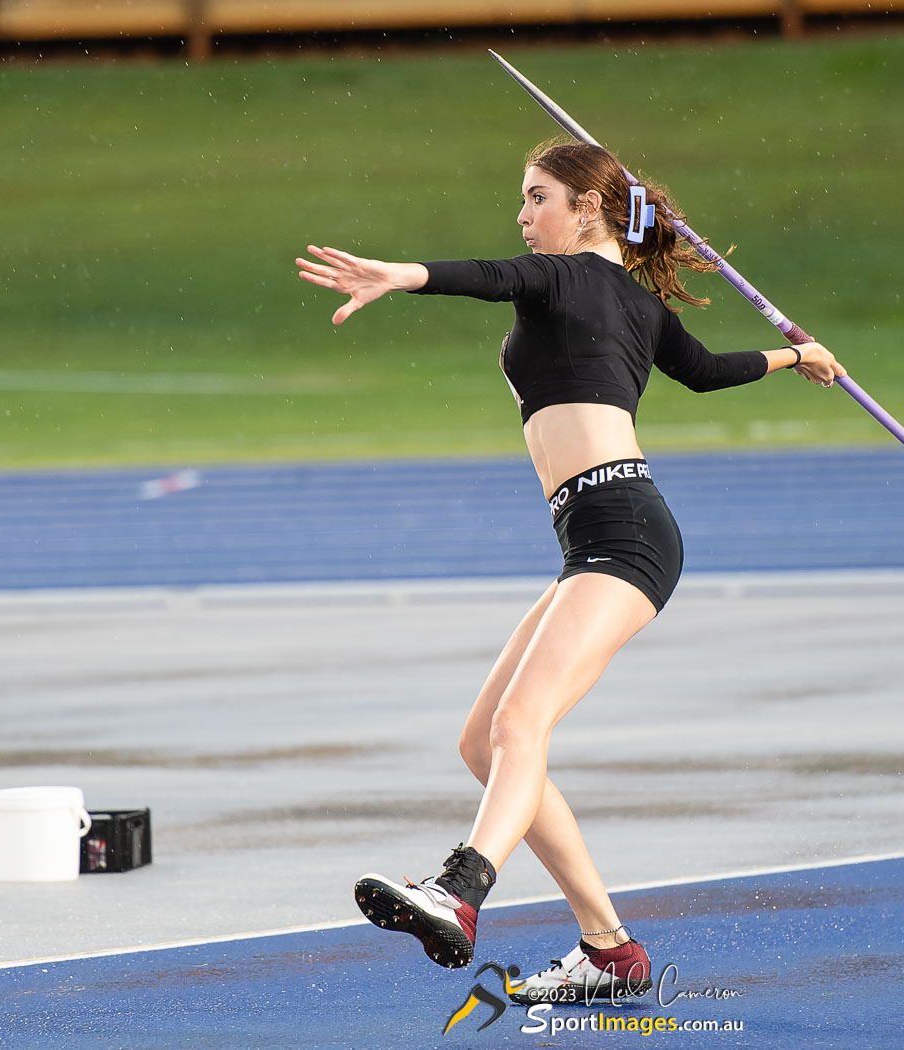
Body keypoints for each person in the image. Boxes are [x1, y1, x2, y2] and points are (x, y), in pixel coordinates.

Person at [295, 140, 845, 1003]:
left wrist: (402, 274)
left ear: (587, 206)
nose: (522, 216)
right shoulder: (633, 302)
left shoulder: (571, 278)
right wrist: (794, 357)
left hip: (621, 528)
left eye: (535, 197)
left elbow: (490, 275)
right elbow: (704, 374)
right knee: (485, 742)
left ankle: (462, 889)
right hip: (599, 534)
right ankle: (609, 952)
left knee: (521, 719)